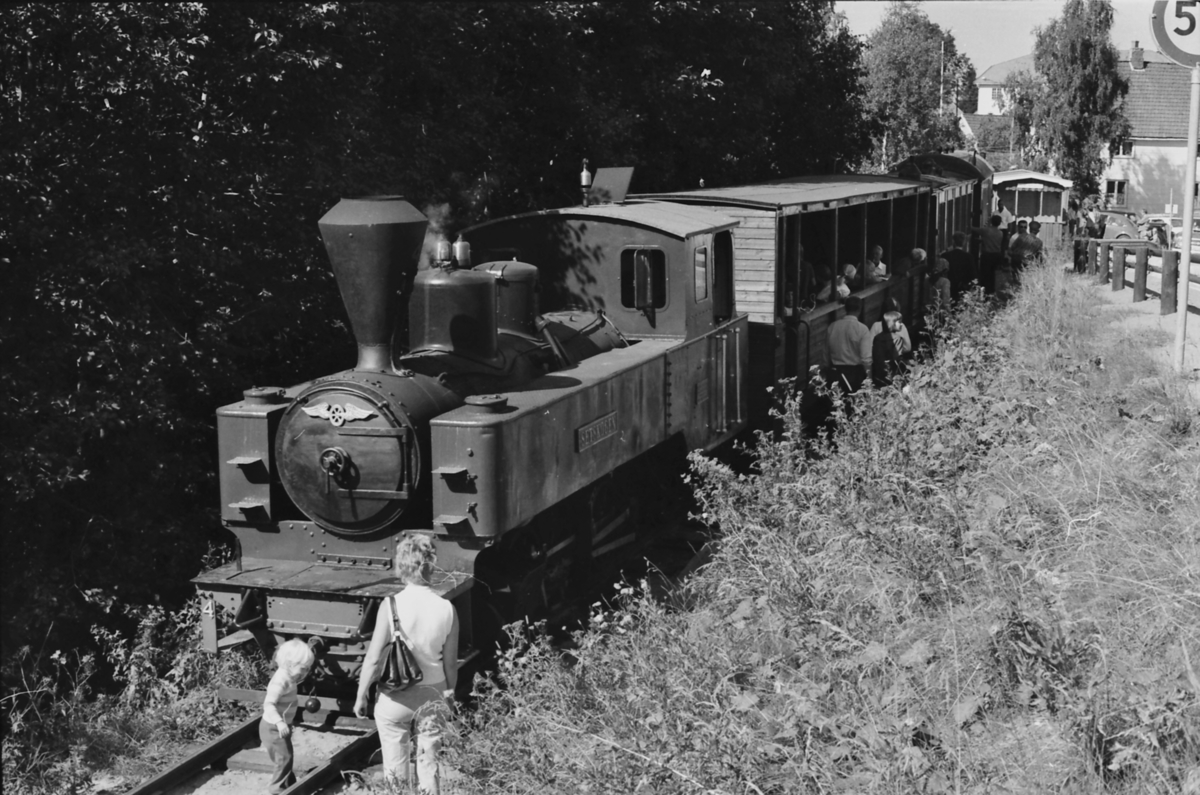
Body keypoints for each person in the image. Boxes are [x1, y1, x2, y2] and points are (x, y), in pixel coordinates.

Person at [356, 535, 459, 793]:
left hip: (394, 697)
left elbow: (373, 658)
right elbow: (451, 665)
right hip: (433, 694)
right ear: (431, 565)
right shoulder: (447, 608)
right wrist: (449, 696)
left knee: (395, 766)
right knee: (429, 761)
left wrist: (361, 696)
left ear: (401, 567)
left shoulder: (390, 605)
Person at [261, 640, 316, 794]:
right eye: (303, 669)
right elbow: (268, 705)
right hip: (273, 727)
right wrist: (279, 723)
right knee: (284, 757)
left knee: (284, 756)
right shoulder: (280, 681)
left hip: (281, 726)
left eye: (308, 669)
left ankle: (289, 784)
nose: (305, 673)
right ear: (290, 663)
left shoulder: (289, 676)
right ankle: (277, 790)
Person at [826, 295, 872, 393]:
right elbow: (866, 359)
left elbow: (825, 354)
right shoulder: (862, 329)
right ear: (860, 309)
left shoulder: (832, 327)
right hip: (855, 374)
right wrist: (869, 378)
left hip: (835, 372)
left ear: (845, 308)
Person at [871, 310, 907, 387]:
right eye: (899, 322)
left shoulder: (877, 338)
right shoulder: (897, 339)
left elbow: (875, 357)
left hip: (879, 374)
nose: (901, 324)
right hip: (893, 375)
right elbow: (897, 358)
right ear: (892, 324)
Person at [972, 215, 1005, 293]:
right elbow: (993, 241)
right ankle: (993, 291)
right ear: (999, 223)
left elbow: (973, 229)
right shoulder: (1000, 233)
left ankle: (985, 291)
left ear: (991, 221)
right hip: (997, 255)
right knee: (994, 275)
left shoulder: (986, 230)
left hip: (987, 256)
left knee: (985, 275)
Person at [940, 231, 977, 298]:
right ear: (964, 242)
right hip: (963, 287)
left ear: (953, 241)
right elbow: (973, 274)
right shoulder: (969, 256)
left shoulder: (945, 255)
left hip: (948, 286)